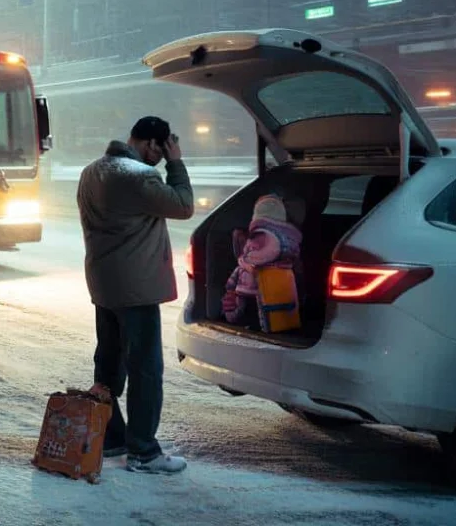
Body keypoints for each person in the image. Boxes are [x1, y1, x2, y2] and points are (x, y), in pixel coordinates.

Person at [77, 116, 195, 475]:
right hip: (136, 288)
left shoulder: (92, 170)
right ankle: (143, 451)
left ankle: (112, 437)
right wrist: (176, 162)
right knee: (145, 369)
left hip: (104, 283)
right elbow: (183, 205)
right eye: (162, 150)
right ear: (152, 145)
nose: (162, 157)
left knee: (110, 363)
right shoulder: (139, 176)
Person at [222, 193, 303, 329]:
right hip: (276, 293)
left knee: (255, 312)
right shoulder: (289, 245)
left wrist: (246, 261)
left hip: (254, 293)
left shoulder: (262, 238)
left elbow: (265, 254)